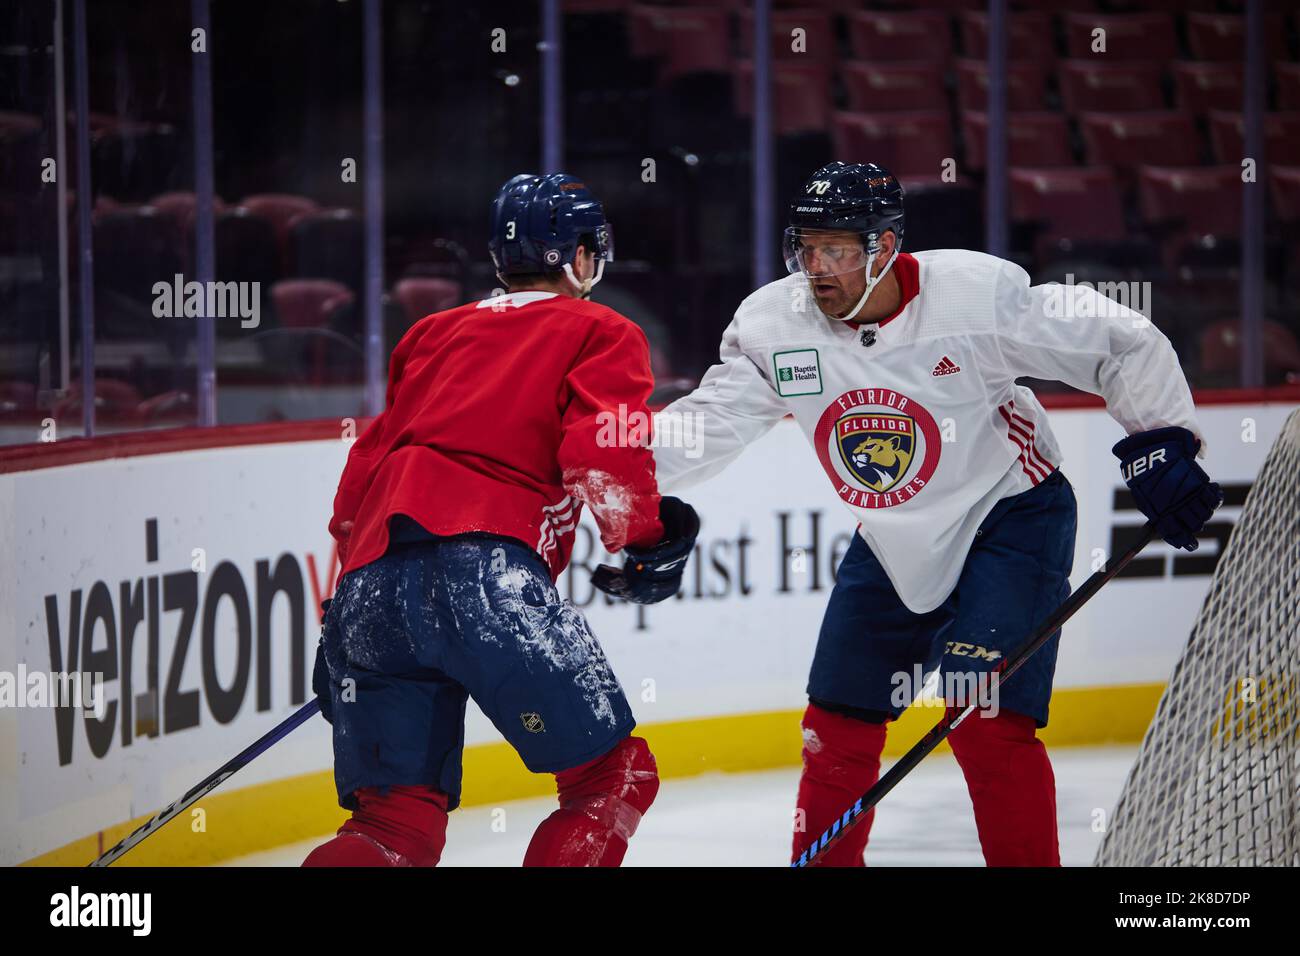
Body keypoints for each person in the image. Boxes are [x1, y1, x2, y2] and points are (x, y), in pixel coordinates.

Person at [651, 161, 1222, 867]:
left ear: (885, 248)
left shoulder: (973, 299)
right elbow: (705, 425)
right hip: (894, 540)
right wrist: (607, 473)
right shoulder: (777, 325)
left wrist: (1159, 441)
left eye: (837, 249)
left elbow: (1119, 340)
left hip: (1010, 517)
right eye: (806, 247)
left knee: (983, 723)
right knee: (834, 727)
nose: (816, 267)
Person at [304, 173, 699, 867]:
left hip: (369, 586)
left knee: (391, 828)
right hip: (486, 576)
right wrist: (646, 543)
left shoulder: (432, 332)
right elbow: (600, 454)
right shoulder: (602, 329)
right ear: (581, 256)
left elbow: (361, 481)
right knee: (613, 779)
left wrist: (339, 615)